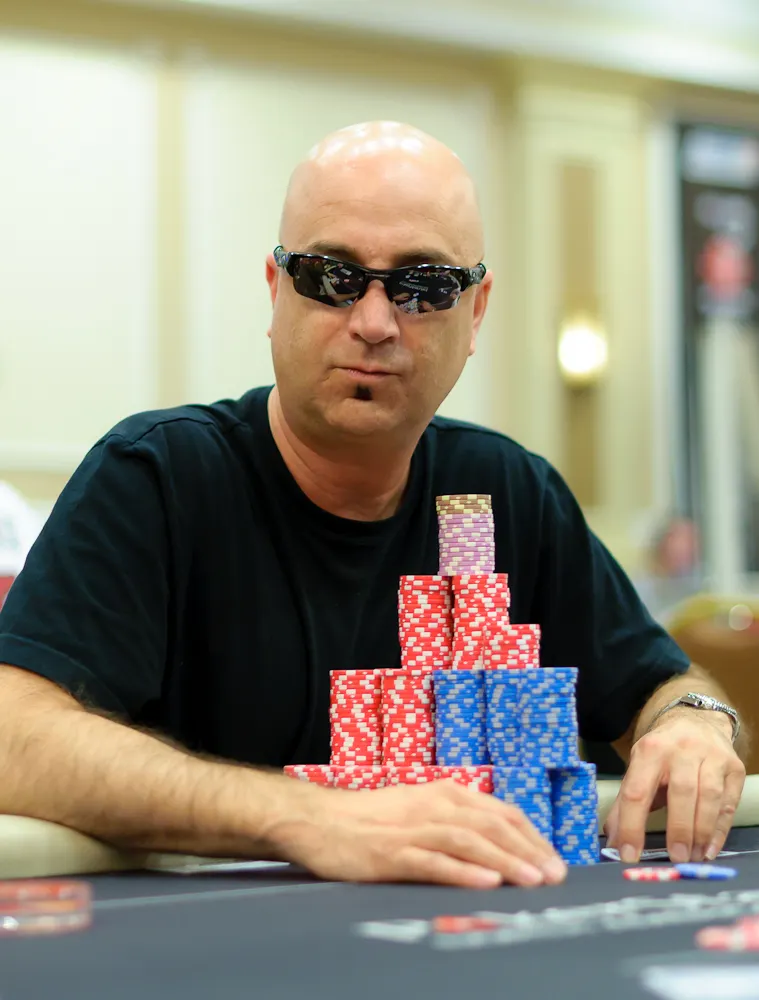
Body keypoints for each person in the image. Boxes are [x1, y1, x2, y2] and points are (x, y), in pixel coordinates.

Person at [0, 121, 747, 890]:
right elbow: (13, 736)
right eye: (331, 277)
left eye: (423, 286)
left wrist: (693, 721)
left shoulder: (504, 491)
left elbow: (659, 685)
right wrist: (309, 816)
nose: (373, 322)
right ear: (275, 290)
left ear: (475, 311)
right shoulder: (158, 477)